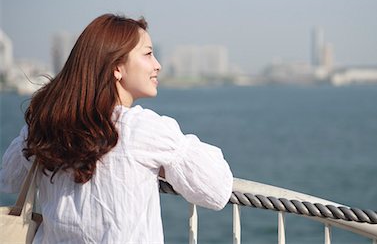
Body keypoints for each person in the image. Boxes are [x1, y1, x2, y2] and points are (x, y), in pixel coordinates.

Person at [0, 14, 233, 243]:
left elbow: (9, 179)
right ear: (117, 67)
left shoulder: (46, 126)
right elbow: (217, 190)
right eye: (148, 54)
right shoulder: (143, 129)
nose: (158, 65)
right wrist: (166, 163)